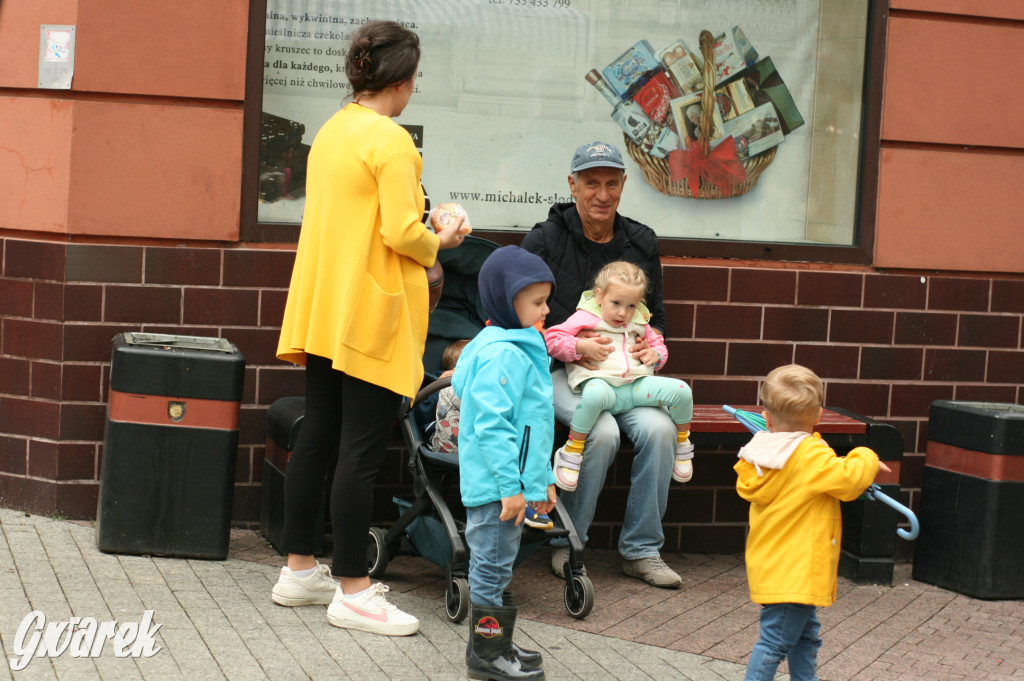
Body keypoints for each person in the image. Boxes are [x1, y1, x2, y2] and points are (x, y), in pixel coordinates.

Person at [270, 20, 466, 637]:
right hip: (373, 312)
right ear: (402, 81)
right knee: (360, 449)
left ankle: (300, 569)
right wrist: (447, 235)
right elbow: (404, 235)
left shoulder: (333, 129)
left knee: (319, 437)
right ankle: (353, 588)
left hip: (327, 304)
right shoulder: (393, 141)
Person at [521, 141, 682, 589]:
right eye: (591, 183)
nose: (602, 194)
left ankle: (642, 550)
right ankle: (567, 544)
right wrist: (572, 349)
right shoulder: (546, 239)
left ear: (623, 185)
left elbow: (658, 320)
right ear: (572, 185)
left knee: (661, 429)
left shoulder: (639, 242)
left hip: (626, 374)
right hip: (561, 373)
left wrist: (655, 351)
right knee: (602, 431)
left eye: (612, 183)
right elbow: (520, 319)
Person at [734, 364, 891, 681]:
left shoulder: (759, 450)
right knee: (775, 644)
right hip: (798, 571)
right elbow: (847, 481)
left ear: (766, 417)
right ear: (819, 415)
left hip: (774, 565)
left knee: (805, 638)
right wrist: (866, 456)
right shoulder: (810, 456)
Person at [452, 245, 557, 681]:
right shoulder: (503, 354)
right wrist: (513, 489)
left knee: (497, 567)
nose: (546, 309)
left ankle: (498, 642)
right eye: (536, 302)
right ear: (504, 300)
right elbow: (494, 430)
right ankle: (486, 655)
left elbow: (531, 427)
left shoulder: (514, 342)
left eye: (546, 299)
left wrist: (542, 482)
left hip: (510, 485)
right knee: (492, 569)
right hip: (499, 490)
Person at [545, 261, 694, 492]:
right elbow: (552, 340)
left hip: (636, 387)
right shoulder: (586, 317)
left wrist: (655, 355)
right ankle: (572, 450)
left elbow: (659, 345)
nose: (623, 313)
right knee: (593, 395)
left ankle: (682, 442)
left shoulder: (639, 322)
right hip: (603, 386)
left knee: (682, 391)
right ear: (599, 296)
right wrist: (580, 345)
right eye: (616, 303)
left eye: (632, 305)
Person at [431, 338, 554, 531]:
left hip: (459, 445)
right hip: (466, 447)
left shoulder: (448, 384)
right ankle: (526, 499)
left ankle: (524, 499)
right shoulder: (457, 384)